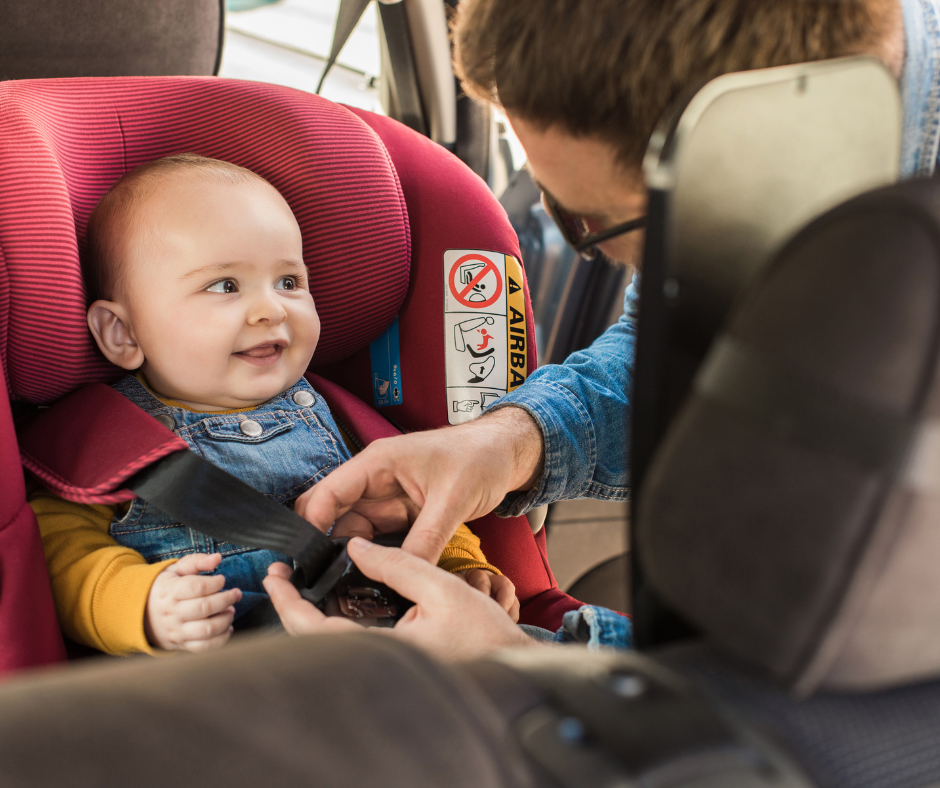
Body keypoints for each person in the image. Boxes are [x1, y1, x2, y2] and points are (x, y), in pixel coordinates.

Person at [263, 0, 940, 661]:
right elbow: (672, 345)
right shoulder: (740, 161)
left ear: (776, 135)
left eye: (599, 221)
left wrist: (533, 667)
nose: (597, 251)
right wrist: (506, 443)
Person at [29, 154, 517, 656]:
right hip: (241, 681)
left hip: (394, 644)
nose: (271, 309)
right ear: (123, 332)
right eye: (224, 286)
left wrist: (460, 565)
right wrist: (145, 605)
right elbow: (62, 556)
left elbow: (416, 499)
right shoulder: (104, 444)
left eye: (289, 282)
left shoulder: (340, 416)